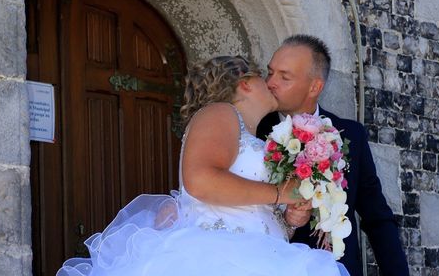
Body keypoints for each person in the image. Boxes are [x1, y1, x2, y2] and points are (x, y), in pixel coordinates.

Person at [58, 55, 349, 276]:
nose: (272, 83)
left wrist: (291, 216)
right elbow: (201, 181)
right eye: (265, 76)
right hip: (219, 255)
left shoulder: (257, 136)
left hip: (266, 253)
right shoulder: (220, 113)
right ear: (245, 83)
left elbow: (258, 206)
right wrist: (281, 193)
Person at [257, 35, 410, 276]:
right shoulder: (253, 132)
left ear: (315, 87)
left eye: (284, 77)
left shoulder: (351, 135)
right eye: (270, 72)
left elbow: (377, 216)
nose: (270, 83)